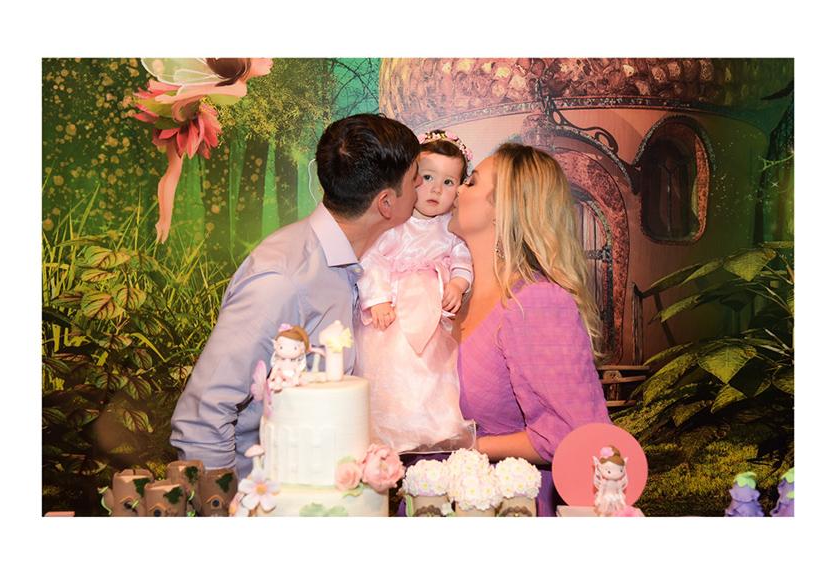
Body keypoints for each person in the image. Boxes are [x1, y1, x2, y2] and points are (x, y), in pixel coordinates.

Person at [170, 114, 421, 479]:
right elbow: (202, 417)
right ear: (386, 202)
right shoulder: (284, 278)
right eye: (415, 179)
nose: (420, 189)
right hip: (265, 494)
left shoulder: (357, 264)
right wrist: (228, 503)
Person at [448, 142, 611, 516]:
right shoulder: (454, 295)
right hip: (444, 498)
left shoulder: (535, 302)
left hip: (510, 506)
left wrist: (467, 446)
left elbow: (573, 432)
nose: (456, 190)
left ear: (502, 207)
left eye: (471, 182)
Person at [355, 130, 474, 452]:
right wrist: (378, 299)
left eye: (448, 182)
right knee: (392, 369)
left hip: (432, 321)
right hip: (393, 317)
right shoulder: (395, 224)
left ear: (458, 190)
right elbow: (372, 259)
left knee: (434, 372)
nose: (436, 189)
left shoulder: (451, 230)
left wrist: (458, 284)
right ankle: (393, 428)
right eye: (428, 177)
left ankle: (432, 427)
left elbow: (463, 260)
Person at [134, 57, 274, 243]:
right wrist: (175, 98)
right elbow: (206, 89)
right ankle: (164, 222)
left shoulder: (233, 81)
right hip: (180, 110)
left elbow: (206, 89)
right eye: (262, 56)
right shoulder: (239, 87)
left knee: (174, 169)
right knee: (174, 169)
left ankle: (163, 222)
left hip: (186, 109)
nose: (270, 59)